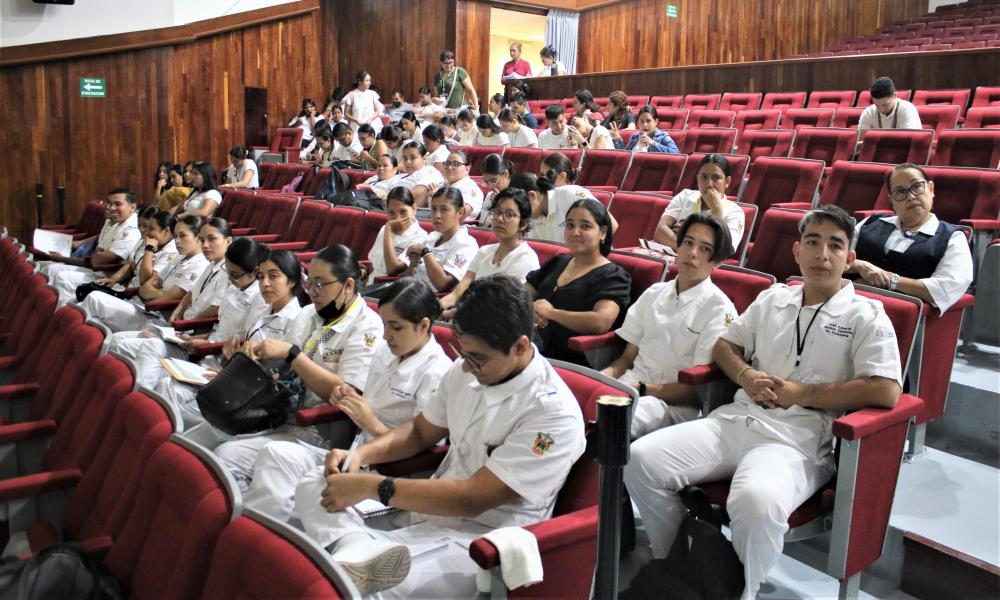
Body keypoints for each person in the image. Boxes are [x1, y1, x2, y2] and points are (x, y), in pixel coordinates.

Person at [623, 205, 903, 600]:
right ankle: (688, 568)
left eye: (835, 246)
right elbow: (724, 345)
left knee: (755, 501)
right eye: (812, 243)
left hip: (799, 439)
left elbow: (886, 389)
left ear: (850, 259)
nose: (822, 254)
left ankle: (741, 592)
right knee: (641, 460)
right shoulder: (774, 299)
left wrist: (802, 393)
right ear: (796, 252)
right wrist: (744, 375)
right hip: (737, 418)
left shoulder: (866, 314)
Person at [291, 275, 586, 597]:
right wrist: (361, 458)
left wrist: (371, 487)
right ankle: (355, 546)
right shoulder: (466, 370)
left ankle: (353, 554)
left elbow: (472, 498)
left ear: (519, 347)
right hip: (424, 511)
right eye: (464, 352)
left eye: (478, 358)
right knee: (314, 483)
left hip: (479, 538)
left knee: (363, 591)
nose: (467, 366)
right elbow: (420, 431)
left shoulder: (552, 414)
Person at [238, 278, 453, 523]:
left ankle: (273, 537)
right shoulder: (385, 352)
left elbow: (422, 446)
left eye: (395, 327)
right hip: (355, 454)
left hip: (393, 474)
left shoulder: (437, 372)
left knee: (313, 498)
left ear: (423, 325)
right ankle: (257, 533)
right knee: (276, 455)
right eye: (384, 324)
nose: (386, 335)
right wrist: (346, 398)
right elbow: (366, 404)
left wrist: (371, 424)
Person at [183, 246, 381, 494]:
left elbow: (346, 394)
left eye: (321, 284)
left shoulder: (366, 327)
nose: (313, 292)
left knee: (227, 457)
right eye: (311, 284)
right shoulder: (309, 314)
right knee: (200, 436)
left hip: (318, 428)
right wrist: (250, 362)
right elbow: (281, 371)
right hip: (277, 411)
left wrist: (292, 355)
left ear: (348, 285)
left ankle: (235, 518)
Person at [602, 213, 737, 439]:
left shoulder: (718, 309)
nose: (692, 253)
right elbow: (626, 360)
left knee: (612, 421)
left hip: (669, 404)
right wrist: (600, 379)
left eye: (704, 249)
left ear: (717, 262)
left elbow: (696, 392)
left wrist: (643, 389)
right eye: (688, 242)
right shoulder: (655, 292)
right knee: (580, 404)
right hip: (632, 385)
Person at [153, 248, 303, 428]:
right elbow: (248, 353)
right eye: (261, 276)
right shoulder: (265, 311)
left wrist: (234, 367)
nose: (265, 283)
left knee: (171, 405)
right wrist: (233, 358)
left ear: (292, 280)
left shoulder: (297, 321)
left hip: (249, 397)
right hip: (231, 380)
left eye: (273, 276)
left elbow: (280, 376)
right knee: (166, 387)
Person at [106, 236, 268, 392]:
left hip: (220, 360)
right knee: (128, 344)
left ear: (254, 272)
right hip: (203, 348)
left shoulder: (260, 298)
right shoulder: (235, 287)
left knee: (162, 381)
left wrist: (206, 345)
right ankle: (129, 398)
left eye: (236, 274)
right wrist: (191, 339)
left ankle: (132, 400)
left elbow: (246, 342)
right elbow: (220, 329)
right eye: (228, 271)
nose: (230, 278)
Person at [848, 163, 973, 314]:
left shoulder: (952, 238)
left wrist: (890, 280)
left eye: (917, 187)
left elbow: (944, 288)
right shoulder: (871, 223)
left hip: (899, 315)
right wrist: (861, 266)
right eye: (900, 192)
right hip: (848, 303)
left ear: (931, 189)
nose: (911, 197)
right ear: (892, 200)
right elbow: (833, 256)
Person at [526, 199, 631, 364]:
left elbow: (601, 322)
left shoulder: (613, 276)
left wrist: (551, 313)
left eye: (585, 226)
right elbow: (522, 294)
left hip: (570, 358)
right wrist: (530, 308)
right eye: (569, 225)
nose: (575, 232)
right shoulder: (559, 261)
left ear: (603, 232)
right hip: (531, 345)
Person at [80, 216, 225, 333]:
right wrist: (157, 292)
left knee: (95, 301)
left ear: (197, 238)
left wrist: (155, 292)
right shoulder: (180, 257)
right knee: (94, 315)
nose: (177, 241)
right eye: (176, 236)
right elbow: (144, 287)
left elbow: (159, 299)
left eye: (183, 236)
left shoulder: (200, 264)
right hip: (142, 305)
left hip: (157, 316)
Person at [440, 187, 540, 319]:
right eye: (497, 212)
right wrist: (435, 308)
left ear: (523, 224)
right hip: (469, 318)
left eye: (509, 215)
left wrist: (451, 313)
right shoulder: (484, 252)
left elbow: (502, 307)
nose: (499, 219)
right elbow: (458, 293)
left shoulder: (525, 258)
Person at [50, 207, 178, 309]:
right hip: (125, 287)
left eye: (150, 228)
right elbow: (130, 263)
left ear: (166, 231)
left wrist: (148, 251)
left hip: (138, 298)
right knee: (76, 301)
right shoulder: (146, 240)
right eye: (142, 226)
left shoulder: (170, 252)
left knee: (90, 301)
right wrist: (112, 280)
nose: (145, 231)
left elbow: (144, 280)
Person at [653, 153, 746, 252]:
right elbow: (660, 231)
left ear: (727, 182)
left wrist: (717, 210)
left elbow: (724, 250)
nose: (709, 184)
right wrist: (693, 245)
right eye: (704, 177)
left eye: (716, 178)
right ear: (697, 178)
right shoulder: (684, 196)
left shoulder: (735, 212)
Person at [39, 188, 140, 273]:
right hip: (90, 260)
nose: (111, 208)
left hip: (104, 273)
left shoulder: (131, 230)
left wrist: (62, 259)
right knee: (40, 265)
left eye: (118, 204)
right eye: (109, 203)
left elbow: (96, 262)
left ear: (132, 207)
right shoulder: (113, 219)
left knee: (51, 270)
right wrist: (80, 242)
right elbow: (102, 237)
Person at [400, 187, 478, 293]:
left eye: (444, 210)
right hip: (409, 293)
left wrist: (425, 252)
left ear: (460, 212)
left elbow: (443, 285)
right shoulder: (432, 237)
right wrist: (412, 264)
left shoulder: (466, 244)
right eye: (433, 209)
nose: (437, 216)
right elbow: (404, 278)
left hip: (432, 301)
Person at [531, 152, 619, 242]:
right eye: (540, 176)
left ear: (562, 177)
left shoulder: (573, 194)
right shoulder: (539, 205)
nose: (541, 181)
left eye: (547, 176)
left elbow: (612, 225)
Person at [366, 187, 429, 285]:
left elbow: (392, 269)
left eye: (403, 212)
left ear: (414, 209)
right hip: (371, 283)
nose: (398, 219)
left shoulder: (420, 237)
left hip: (390, 288)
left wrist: (389, 229)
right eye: (392, 213)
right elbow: (372, 263)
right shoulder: (384, 229)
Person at [393, 142, 445, 208]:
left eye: (413, 158)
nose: (408, 162)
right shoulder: (400, 175)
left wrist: (390, 202)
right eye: (405, 158)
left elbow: (417, 193)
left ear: (424, 158)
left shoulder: (430, 171)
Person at [442, 150, 485, 219]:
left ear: (467, 169)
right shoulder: (443, 184)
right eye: (447, 163)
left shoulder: (472, 189)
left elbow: (459, 214)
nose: (449, 167)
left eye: (455, 164)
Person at [478, 153, 514, 227]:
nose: (490, 186)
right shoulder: (490, 195)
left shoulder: (518, 197)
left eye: (494, 181)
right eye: (486, 182)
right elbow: (481, 225)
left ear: (506, 174)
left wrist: (501, 204)